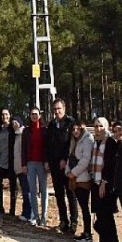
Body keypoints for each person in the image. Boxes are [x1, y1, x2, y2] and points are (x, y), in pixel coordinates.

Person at [46, 99, 77, 234]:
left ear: (64, 108)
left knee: (71, 193)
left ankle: (74, 221)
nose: (57, 111)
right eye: (55, 109)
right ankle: (64, 220)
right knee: (59, 194)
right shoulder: (52, 125)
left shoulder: (71, 123)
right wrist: (47, 160)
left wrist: (65, 159)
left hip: (67, 165)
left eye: (59, 108)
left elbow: (72, 143)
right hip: (54, 164)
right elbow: (48, 144)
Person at [91, 117, 119, 242]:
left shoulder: (110, 142)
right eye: (96, 126)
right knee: (100, 213)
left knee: (106, 213)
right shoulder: (95, 142)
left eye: (101, 126)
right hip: (95, 181)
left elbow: (110, 165)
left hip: (105, 183)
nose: (98, 129)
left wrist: (104, 182)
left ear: (106, 127)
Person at [65, 120, 93, 241]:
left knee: (85, 207)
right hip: (74, 177)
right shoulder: (73, 141)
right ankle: (86, 232)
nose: (75, 131)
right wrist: (67, 172)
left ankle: (88, 233)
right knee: (82, 205)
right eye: (73, 129)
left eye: (77, 129)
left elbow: (85, 160)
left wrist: (73, 172)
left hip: (82, 178)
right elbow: (70, 157)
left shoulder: (87, 140)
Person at [22, 107, 48, 226]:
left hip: (42, 164)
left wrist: (47, 162)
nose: (34, 116)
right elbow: (23, 149)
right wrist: (23, 164)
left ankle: (43, 216)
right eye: (32, 114)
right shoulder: (26, 131)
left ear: (40, 115)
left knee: (43, 190)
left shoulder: (44, 130)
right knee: (32, 190)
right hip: (30, 163)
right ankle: (35, 216)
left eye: (36, 114)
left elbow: (48, 148)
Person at [0, 107, 16, 215]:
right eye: (2, 115)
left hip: (11, 161)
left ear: (10, 115)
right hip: (0, 161)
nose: (4, 117)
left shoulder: (13, 128)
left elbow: (19, 122)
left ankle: (12, 209)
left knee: (13, 185)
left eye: (6, 114)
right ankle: (0, 207)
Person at [12, 115, 32, 220]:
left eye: (16, 122)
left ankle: (29, 214)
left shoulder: (24, 133)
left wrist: (25, 165)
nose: (14, 124)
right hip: (18, 168)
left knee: (27, 191)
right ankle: (26, 212)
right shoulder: (16, 135)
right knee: (24, 191)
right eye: (13, 123)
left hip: (24, 167)